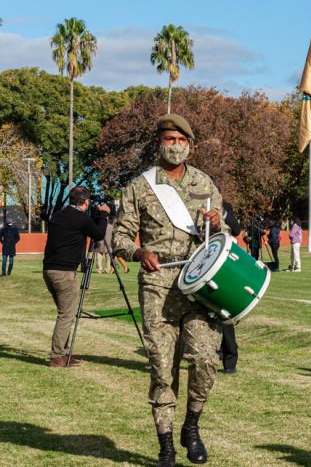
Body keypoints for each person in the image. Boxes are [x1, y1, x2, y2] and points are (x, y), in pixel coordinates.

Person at [112, 114, 226, 466]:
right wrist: (138, 251)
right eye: (169, 139)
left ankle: (191, 427)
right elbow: (118, 235)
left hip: (197, 284)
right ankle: (165, 447)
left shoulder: (204, 182)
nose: (175, 146)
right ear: (158, 143)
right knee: (163, 368)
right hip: (158, 285)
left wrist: (218, 222)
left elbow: (222, 229)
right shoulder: (138, 186)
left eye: (181, 140)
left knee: (206, 359)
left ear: (190, 145)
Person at [41, 187, 109, 367]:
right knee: (66, 315)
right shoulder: (80, 218)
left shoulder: (58, 215)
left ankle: (63, 354)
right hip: (64, 273)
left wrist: (94, 217)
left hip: (49, 270)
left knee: (65, 313)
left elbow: (87, 228)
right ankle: (57, 357)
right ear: (86, 201)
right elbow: (99, 234)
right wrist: (103, 215)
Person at [219, 202, 241, 374]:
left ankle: (230, 360)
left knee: (223, 314)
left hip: (223, 266)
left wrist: (222, 212)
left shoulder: (225, 208)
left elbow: (236, 229)